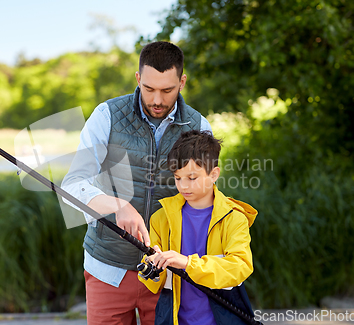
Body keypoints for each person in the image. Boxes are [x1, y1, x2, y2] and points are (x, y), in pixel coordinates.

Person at [61, 41, 212, 324]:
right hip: (108, 269)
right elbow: (73, 184)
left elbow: (204, 203)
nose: (157, 100)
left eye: (167, 90)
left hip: (169, 276)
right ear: (138, 79)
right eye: (149, 88)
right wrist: (117, 205)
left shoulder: (200, 127)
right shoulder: (106, 116)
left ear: (182, 82)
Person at [138, 130, 257, 325]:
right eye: (177, 178)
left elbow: (239, 267)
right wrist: (152, 267)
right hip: (174, 319)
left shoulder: (234, 218)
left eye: (192, 178)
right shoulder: (160, 218)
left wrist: (187, 263)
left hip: (223, 318)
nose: (183, 186)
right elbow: (152, 283)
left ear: (214, 174)